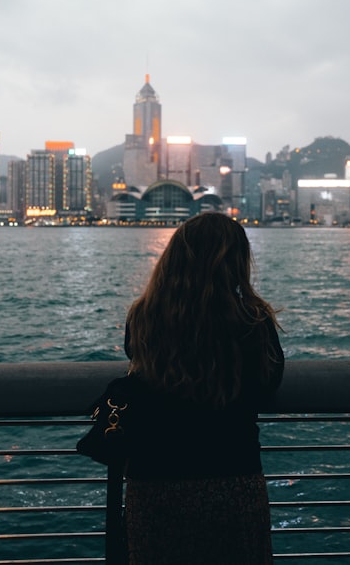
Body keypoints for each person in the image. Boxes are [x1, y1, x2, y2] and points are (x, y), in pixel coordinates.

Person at [122, 212, 284, 565]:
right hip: (231, 476)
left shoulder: (143, 316)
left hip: (154, 479)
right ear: (237, 263)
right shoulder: (251, 322)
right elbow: (268, 382)